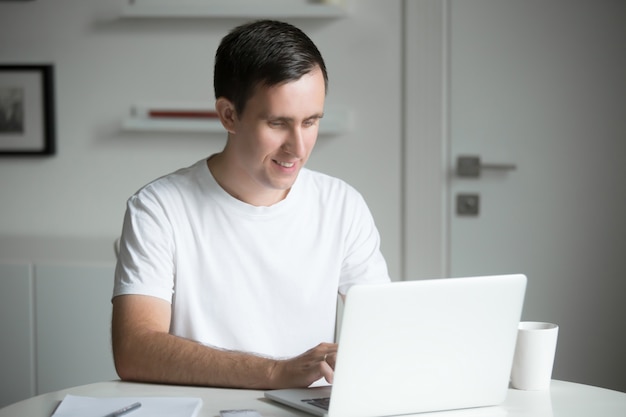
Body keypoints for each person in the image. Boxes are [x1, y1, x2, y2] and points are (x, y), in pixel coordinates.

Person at [111, 19, 390, 390]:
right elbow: (134, 349)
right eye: (278, 124)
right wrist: (277, 373)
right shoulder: (158, 209)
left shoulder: (343, 205)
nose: (299, 147)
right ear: (229, 115)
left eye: (310, 122)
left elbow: (383, 328)